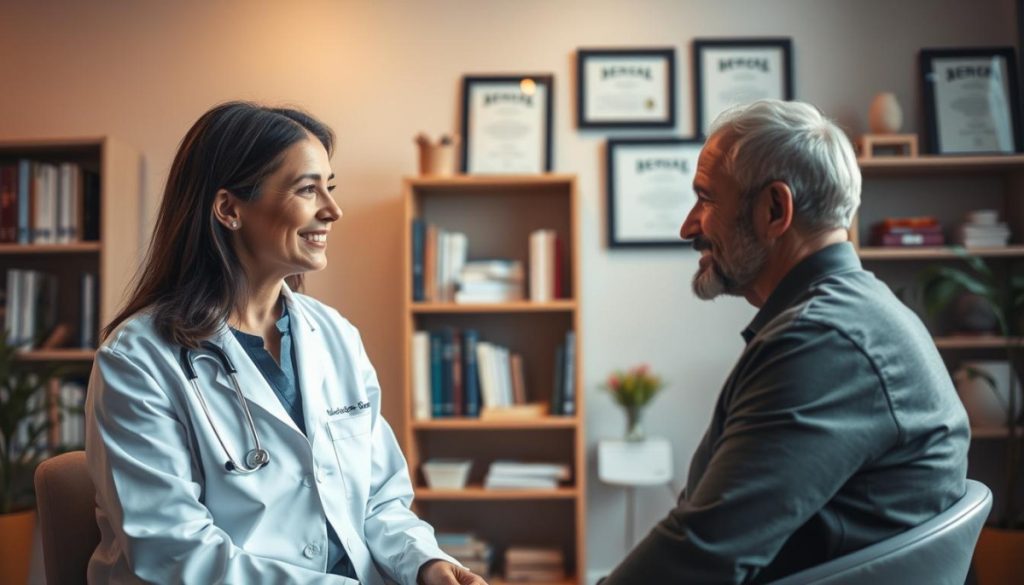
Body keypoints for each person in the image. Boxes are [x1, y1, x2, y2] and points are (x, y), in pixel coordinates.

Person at [86, 102, 487, 585]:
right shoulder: (138, 361)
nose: (332, 210)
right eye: (307, 189)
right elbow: (175, 552)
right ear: (229, 208)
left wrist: (424, 563)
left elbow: (379, 498)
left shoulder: (333, 335)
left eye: (329, 188)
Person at [601, 99, 970, 584]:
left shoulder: (824, 340)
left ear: (774, 209)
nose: (688, 226)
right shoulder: (853, 315)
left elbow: (704, 555)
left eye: (706, 199)